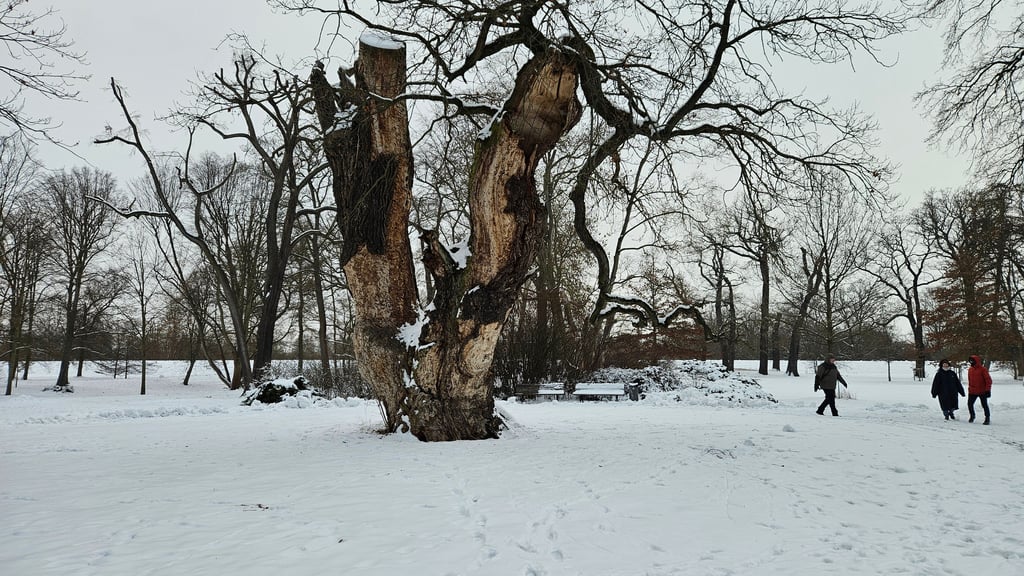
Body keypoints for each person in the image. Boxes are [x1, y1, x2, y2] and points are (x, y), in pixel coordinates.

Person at [966, 354, 992, 425]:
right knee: (969, 404)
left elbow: (988, 380)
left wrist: (988, 390)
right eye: (970, 361)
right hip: (972, 391)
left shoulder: (983, 369)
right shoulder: (970, 370)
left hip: (982, 391)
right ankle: (972, 416)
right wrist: (970, 388)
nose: (971, 362)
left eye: (972, 361)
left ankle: (987, 418)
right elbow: (970, 380)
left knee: (984, 405)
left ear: (976, 361)